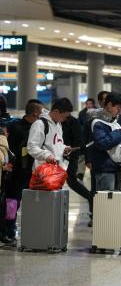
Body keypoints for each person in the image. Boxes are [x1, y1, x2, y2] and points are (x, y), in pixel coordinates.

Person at [2, 100, 43, 245]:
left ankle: (24, 231)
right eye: (42, 111)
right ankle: (9, 231)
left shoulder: (38, 127)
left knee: (26, 203)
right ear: (35, 112)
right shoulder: (15, 126)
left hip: (33, 171)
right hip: (15, 171)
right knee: (13, 201)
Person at [89, 93, 121, 191]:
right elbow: (102, 143)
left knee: (115, 202)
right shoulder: (98, 123)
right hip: (104, 168)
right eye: (118, 107)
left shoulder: (114, 121)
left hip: (115, 167)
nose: (120, 111)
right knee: (106, 203)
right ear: (109, 105)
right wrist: (120, 132)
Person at [27, 98, 73, 170]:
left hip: (57, 171)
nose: (65, 119)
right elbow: (31, 147)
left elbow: (56, 145)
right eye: (64, 117)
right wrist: (47, 156)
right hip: (43, 172)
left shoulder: (58, 125)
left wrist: (64, 148)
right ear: (56, 111)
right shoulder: (39, 124)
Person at [61, 113, 93, 213]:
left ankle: (90, 197)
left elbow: (80, 143)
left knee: (72, 182)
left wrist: (87, 159)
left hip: (71, 157)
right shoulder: (57, 122)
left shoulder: (73, 122)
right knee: (67, 182)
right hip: (59, 157)